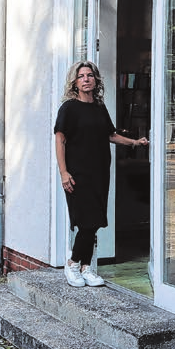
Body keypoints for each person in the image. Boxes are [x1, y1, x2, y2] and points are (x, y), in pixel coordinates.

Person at [54, 61, 148, 287]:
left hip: (99, 172)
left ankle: (86, 268)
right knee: (86, 221)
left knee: (95, 221)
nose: (86, 79)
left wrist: (134, 142)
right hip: (77, 174)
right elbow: (60, 139)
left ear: (96, 80)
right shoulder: (68, 108)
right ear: (75, 83)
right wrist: (64, 172)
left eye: (89, 76)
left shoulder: (99, 107)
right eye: (81, 76)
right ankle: (73, 264)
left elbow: (111, 135)